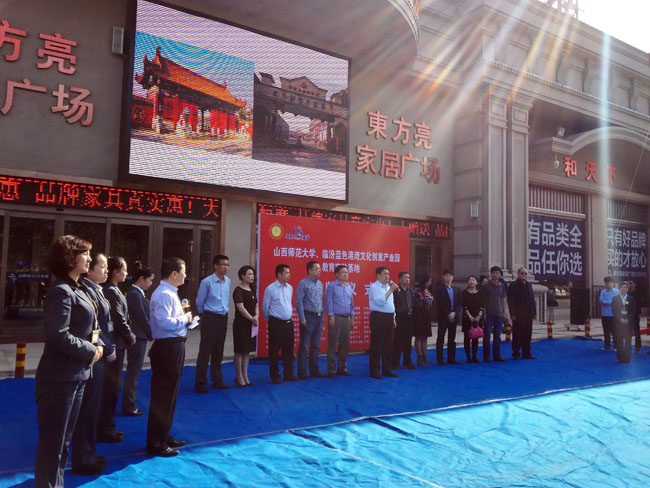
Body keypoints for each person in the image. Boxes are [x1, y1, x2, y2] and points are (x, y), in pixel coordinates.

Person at [34, 235, 103, 487]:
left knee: (63, 442)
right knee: (53, 443)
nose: (89, 259)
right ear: (69, 257)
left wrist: (99, 343)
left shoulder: (79, 287)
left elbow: (89, 326)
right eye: (84, 253)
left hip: (77, 375)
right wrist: (90, 350)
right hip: (59, 378)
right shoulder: (61, 291)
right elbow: (58, 335)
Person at [70, 252, 116, 476]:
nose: (106, 271)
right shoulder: (86, 290)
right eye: (102, 266)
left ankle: (89, 452)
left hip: (100, 352)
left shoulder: (97, 290)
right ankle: (84, 457)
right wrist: (106, 347)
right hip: (93, 355)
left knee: (94, 406)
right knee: (87, 407)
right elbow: (94, 327)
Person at [146, 257, 192, 457]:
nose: (185, 275)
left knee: (170, 395)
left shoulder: (171, 292)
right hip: (167, 347)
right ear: (174, 273)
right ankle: (156, 442)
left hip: (175, 345)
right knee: (163, 396)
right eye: (183, 271)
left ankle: (164, 434)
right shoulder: (163, 294)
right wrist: (184, 318)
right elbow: (165, 323)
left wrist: (186, 322)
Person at [98, 256, 135, 443]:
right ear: (116, 272)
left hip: (119, 343)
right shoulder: (110, 291)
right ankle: (105, 427)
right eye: (124, 270)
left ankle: (109, 425)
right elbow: (118, 318)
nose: (126, 273)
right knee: (110, 388)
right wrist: (129, 335)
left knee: (113, 388)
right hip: (114, 344)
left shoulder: (115, 290)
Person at [195, 255, 231, 393]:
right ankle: (200, 383)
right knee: (205, 351)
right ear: (215, 266)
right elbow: (200, 301)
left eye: (227, 265)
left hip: (223, 318)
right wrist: (202, 314)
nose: (226, 267)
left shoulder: (228, 281)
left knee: (218, 351)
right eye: (223, 264)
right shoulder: (207, 282)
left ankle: (217, 380)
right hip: (210, 318)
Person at [123, 261, 154, 415]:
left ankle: (130, 403)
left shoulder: (138, 293)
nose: (151, 283)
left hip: (140, 335)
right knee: (133, 372)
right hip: (137, 336)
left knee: (135, 371)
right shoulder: (134, 294)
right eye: (150, 280)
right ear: (141, 279)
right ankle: (129, 405)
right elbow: (141, 317)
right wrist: (152, 332)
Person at [262, 264, 296, 384]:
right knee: (274, 351)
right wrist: (269, 319)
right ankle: (275, 375)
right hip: (276, 323)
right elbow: (265, 307)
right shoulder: (270, 289)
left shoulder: (290, 288)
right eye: (286, 273)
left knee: (288, 350)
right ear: (279, 274)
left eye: (289, 273)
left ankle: (288, 374)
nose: (289, 275)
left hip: (288, 323)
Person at [296, 261, 325, 379]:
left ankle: (314, 370)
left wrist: (323, 315)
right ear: (310, 270)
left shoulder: (320, 284)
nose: (319, 271)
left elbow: (321, 300)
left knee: (316, 345)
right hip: (308, 317)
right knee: (304, 345)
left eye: (320, 269)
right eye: (317, 269)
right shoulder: (303, 283)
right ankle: (302, 372)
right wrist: (302, 318)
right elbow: (299, 302)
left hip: (319, 316)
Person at [368, 266, 398, 379]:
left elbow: (391, 304)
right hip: (378, 317)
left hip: (389, 317)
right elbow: (379, 302)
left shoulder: (388, 287)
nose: (387, 276)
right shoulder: (374, 287)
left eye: (388, 274)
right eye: (385, 274)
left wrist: (393, 317)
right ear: (378, 275)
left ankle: (386, 369)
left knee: (388, 345)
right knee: (377, 344)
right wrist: (390, 291)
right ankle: (374, 370)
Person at [325, 265, 355, 378]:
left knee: (345, 345)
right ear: (337, 274)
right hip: (336, 318)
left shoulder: (348, 287)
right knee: (332, 345)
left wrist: (352, 317)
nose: (345, 274)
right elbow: (329, 302)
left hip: (347, 318)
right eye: (343, 272)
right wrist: (331, 316)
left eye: (347, 272)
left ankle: (342, 368)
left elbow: (351, 304)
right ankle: (331, 370)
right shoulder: (332, 286)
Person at [232, 265, 258, 386]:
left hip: (251, 324)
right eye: (249, 274)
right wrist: (251, 318)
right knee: (239, 351)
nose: (252, 276)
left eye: (253, 274)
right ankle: (239, 376)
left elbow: (256, 305)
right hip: (241, 324)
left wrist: (256, 316)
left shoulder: (253, 290)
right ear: (242, 276)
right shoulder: (238, 290)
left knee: (247, 351)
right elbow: (240, 308)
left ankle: (245, 375)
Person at [507, 267, 537, 360]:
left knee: (527, 334)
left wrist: (534, 313)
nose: (524, 275)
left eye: (525, 273)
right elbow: (510, 301)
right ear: (518, 274)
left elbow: (532, 300)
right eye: (522, 273)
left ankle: (526, 353)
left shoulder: (529, 285)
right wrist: (512, 314)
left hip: (528, 314)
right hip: (518, 315)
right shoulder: (513, 286)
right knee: (517, 334)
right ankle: (516, 353)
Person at [434, 269, 461, 365]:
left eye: (450, 275)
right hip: (443, 316)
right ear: (443, 277)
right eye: (446, 275)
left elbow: (459, 303)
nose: (448, 277)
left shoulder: (456, 289)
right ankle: (440, 359)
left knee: (452, 338)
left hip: (454, 316)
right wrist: (448, 313)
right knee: (441, 338)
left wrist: (454, 312)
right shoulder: (439, 289)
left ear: (453, 277)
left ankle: (451, 358)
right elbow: (440, 302)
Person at [483, 266, 508, 362]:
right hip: (489, 314)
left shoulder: (502, 285)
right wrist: (484, 313)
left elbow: (504, 299)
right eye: (493, 273)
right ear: (490, 274)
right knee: (487, 335)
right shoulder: (486, 286)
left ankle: (497, 355)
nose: (495, 275)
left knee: (497, 336)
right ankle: (486, 356)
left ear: (500, 274)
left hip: (499, 314)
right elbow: (483, 301)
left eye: (497, 273)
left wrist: (505, 312)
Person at [392, 271, 415, 370]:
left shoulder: (411, 291)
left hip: (409, 317)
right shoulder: (395, 291)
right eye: (405, 278)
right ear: (400, 279)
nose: (407, 280)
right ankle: (395, 362)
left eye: (408, 278)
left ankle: (407, 362)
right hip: (399, 318)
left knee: (408, 341)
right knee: (397, 341)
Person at [461, 275, 485, 363]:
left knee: (476, 337)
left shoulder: (481, 293)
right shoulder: (464, 293)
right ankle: (468, 357)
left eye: (473, 280)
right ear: (467, 282)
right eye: (470, 280)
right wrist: (470, 316)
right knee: (467, 338)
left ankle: (474, 356)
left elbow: (482, 306)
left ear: (477, 282)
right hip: (467, 318)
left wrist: (479, 316)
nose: (471, 282)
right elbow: (464, 306)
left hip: (478, 318)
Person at [412, 274, 434, 366]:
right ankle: (419, 357)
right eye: (428, 281)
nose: (430, 283)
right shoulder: (416, 291)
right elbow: (414, 303)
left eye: (431, 281)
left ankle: (425, 357)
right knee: (418, 337)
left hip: (426, 315)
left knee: (425, 337)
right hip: (418, 315)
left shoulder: (429, 291)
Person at [612, 281, 635, 363]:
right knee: (619, 342)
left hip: (628, 325)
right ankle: (620, 358)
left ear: (627, 289)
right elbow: (614, 310)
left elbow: (633, 311)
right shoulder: (615, 299)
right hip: (619, 324)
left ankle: (627, 358)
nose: (624, 289)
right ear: (619, 289)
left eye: (625, 287)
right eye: (622, 287)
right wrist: (620, 319)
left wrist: (627, 319)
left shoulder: (631, 299)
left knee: (628, 342)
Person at [599, 276, 619, 351]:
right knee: (606, 331)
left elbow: (615, 302)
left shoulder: (617, 292)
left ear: (613, 283)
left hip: (613, 315)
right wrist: (609, 301)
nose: (607, 284)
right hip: (604, 314)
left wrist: (606, 302)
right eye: (606, 283)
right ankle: (607, 345)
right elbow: (601, 301)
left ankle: (616, 346)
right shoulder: (603, 292)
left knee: (614, 331)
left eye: (609, 283)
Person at [627, 278, 643, 354]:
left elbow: (639, 304)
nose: (629, 285)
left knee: (636, 332)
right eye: (628, 283)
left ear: (635, 284)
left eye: (631, 283)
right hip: (627, 316)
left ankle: (638, 347)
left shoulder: (638, 294)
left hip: (635, 315)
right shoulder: (626, 293)